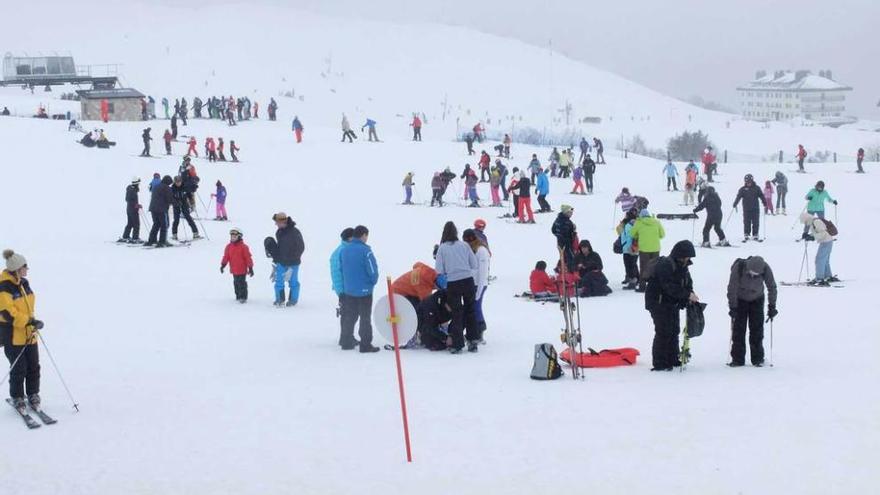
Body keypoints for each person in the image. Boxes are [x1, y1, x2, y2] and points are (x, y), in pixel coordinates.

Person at [643, 240, 699, 371]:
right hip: (658, 302)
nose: (688, 259)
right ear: (680, 255)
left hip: (672, 303)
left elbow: (687, 282)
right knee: (663, 331)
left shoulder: (683, 266)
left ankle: (672, 358)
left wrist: (690, 293)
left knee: (674, 330)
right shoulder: (665, 265)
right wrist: (686, 295)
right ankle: (660, 362)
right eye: (687, 256)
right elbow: (668, 286)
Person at [0, 249, 44, 410]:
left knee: (33, 365)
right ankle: (17, 396)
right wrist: (28, 321)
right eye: (25, 267)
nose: (27, 270)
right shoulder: (4, 287)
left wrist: (33, 322)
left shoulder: (24, 283)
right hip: (13, 335)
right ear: (17, 269)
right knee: (19, 368)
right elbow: (7, 312)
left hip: (29, 333)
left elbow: (27, 306)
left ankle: (33, 393)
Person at [434, 222, 479, 353]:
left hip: (453, 283)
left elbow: (439, 269)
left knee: (457, 313)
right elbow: (474, 264)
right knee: (470, 310)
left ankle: (457, 344)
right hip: (468, 281)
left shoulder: (442, 248)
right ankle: (473, 341)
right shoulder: (464, 245)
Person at [727, 256, 777, 367]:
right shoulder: (738, 267)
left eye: (756, 274)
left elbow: (772, 287)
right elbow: (732, 288)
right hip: (740, 300)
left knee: (757, 329)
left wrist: (772, 306)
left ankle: (758, 358)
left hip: (757, 299)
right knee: (738, 330)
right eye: (751, 273)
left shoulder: (766, 268)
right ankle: (737, 359)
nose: (753, 275)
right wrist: (733, 307)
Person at [339, 225, 380, 352]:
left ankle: (346, 341)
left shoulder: (344, 250)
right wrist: (372, 282)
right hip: (364, 290)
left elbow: (341, 269)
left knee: (350, 316)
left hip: (349, 289)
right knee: (365, 317)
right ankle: (365, 344)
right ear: (363, 235)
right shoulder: (366, 251)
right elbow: (372, 270)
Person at [272, 212, 305, 307]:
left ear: (283, 222)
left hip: (293, 263)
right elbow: (280, 247)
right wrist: (275, 254)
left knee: (293, 282)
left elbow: (301, 247)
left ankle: (293, 300)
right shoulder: (279, 232)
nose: (276, 224)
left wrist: (292, 258)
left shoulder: (295, 232)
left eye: (277, 222)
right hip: (281, 262)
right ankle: (279, 299)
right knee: (279, 281)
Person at [463, 229, 490, 339]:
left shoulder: (481, 250)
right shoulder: (472, 249)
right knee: (474, 307)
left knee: (476, 306)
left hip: (480, 284)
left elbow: (483, 271)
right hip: (473, 283)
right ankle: (477, 328)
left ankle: (480, 328)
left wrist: (479, 291)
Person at [630, 209, 665, 292]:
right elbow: (662, 235)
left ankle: (642, 287)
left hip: (644, 249)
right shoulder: (656, 222)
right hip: (655, 249)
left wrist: (637, 236)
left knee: (644, 268)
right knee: (655, 268)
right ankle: (655, 286)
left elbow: (632, 234)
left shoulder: (639, 223)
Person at [330, 228, 354, 344]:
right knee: (347, 313)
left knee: (350, 313)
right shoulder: (342, 252)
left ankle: (347, 336)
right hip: (345, 290)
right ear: (349, 238)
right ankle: (345, 338)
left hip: (348, 288)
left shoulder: (346, 250)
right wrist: (341, 292)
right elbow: (337, 275)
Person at [801, 212, 837, 286]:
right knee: (825, 260)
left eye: (805, 222)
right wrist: (808, 235)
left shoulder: (816, 222)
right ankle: (827, 276)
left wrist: (813, 237)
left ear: (806, 219)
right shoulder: (813, 222)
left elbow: (824, 233)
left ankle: (819, 278)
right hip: (827, 241)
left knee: (819, 260)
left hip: (826, 242)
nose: (805, 224)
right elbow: (818, 232)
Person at [220, 228, 254, 303]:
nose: (233, 238)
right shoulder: (228, 247)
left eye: (235, 236)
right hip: (234, 270)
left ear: (239, 237)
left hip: (242, 270)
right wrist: (223, 265)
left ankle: (243, 297)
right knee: (236, 283)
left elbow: (248, 258)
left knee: (242, 283)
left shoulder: (244, 247)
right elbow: (226, 257)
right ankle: (238, 296)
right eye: (232, 236)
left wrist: (250, 268)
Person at [732, 174, 767, 242]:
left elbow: (761, 195)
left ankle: (755, 234)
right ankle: (747, 234)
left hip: (755, 208)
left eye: (750, 182)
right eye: (747, 182)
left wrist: (764, 202)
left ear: (752, 181)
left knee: (755, 222)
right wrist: (735, 203)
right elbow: (738, 197)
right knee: (746, 222)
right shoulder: (742, 189)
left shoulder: (757, 188)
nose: (748, 183)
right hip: (746, 209)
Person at [146, 175, 174, 247]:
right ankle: (162, 241)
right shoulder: (167, 188)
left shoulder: (156, 186)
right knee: (164, 225)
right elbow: (169, 199)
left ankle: (151, 240)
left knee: (156, 224)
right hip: (161, 209)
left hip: (153, 209)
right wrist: (177, 203)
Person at [171, 176, 201, 241]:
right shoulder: (172, 188)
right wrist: (176, 202)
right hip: (176, 206)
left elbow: (189, 194)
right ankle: (174, 234)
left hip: (184, 204)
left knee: (188, 218)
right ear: (175, 182)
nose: (178, 183)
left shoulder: (185, 187)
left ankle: (195, 233)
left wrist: (192, 202)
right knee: (176, 220)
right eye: (177, 182)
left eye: (179, 182)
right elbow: (171, 198)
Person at [616, 209, 639, 290]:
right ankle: (636, 279)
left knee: (629, 265)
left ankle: (632, 280)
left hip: (627, 247)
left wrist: (622, 222)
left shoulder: (627, 224)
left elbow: (619, 231)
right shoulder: (637, 223)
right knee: (633, 264)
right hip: (635, 246)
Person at [118, 177, 143, 244]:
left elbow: (129, 200)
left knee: (130, 223)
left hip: (129, 209)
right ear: (136, 183)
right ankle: (135, 238)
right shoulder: (132, 190)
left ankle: (125, 236)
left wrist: (137, 204)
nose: (139, 184)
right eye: (138, 183)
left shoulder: (131, 189)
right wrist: (136, 205)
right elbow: (128, 200)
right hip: (132, 210)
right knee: (136, 224)